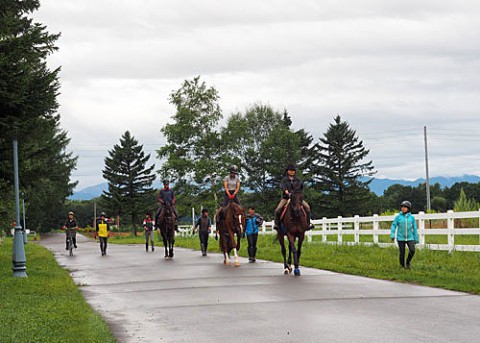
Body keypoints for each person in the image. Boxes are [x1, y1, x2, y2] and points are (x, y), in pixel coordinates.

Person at [273, 164, 314, 231]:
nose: (292, 172)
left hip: (297, 198)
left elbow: (300, 188)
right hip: (286, 198)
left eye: (293, 170)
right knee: (278, 209)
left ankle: (308, 224)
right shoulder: (284, 180)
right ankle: (277, 224)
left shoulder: (298, 180)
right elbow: (284, 189)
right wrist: (288, 193)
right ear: (287, 171)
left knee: (307, 207)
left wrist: (297, 195)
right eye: (290, 170)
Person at [390, 200, 419, 269]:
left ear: (408, 208)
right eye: (402, 207)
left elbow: (414, 228)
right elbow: (393, 225)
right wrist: (392, 235)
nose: (402, 208)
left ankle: (408, 262)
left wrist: (416, 238)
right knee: (402, 253)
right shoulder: (398, 217)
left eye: (404, 207)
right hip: (401, 238)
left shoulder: (411, 218)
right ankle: (402, 266)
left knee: (412, 250)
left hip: (410, 237)